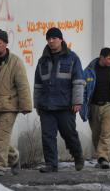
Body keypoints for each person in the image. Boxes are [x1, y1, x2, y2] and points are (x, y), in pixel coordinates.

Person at [0, 29, 32, 176]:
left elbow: (23, 85)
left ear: (5, 44)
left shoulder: (15, 62)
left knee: (1, 138)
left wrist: (26, 105)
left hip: (9, 106)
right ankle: (13, 156)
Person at [34, 27, 85, 173]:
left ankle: (78, 156)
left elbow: (78, 81)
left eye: (54, 38)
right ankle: (51, 164)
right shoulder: (42, 61)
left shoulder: (72, 58)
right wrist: (36, 104)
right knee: (48, 136)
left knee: (69, 134)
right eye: (48, 39)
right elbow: (38, 84)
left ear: (61, 40)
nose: (51, 41)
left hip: (65, 105)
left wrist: (77, 101)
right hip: (46, 106)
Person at [80, 47, 110, 169]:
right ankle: (100, 158)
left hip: (109, 105)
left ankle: (104, 157)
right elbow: (83, 90)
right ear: (101, 57)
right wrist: (82, 107)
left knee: (107, 132)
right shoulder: (89, 71)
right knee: (96, 134)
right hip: (93, 106)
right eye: (109, 58)